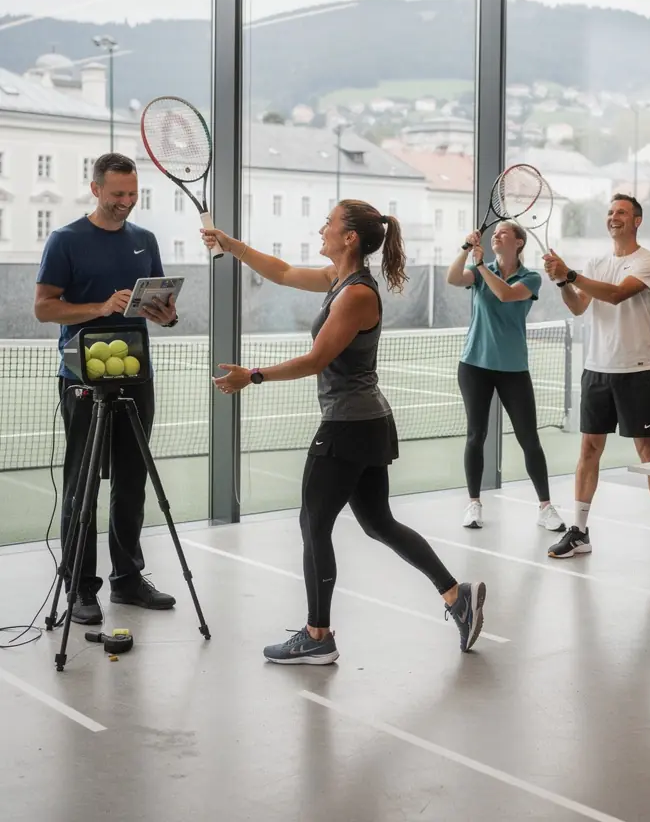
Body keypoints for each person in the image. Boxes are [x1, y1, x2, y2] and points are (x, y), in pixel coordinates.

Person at [204, 201, 486, 664]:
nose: (322, 229)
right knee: (378, 523)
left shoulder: (356, 295)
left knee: (313, 524)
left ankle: (318, 636)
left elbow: (316, 359)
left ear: (350, 237)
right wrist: (230, 244)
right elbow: (282, 272)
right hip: (364, 422)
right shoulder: (339, 280)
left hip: (349, 425)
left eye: (329, 223)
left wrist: (251, 376)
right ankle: (458, 597)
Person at [34, 153, 178, 625]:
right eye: (118, 193)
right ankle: (79, 587)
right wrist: (99, 307)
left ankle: (128, 580)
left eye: (133, 193)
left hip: (137, 376)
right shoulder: (65, 240)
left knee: (132, 481)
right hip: (82, 378)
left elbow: (160, 306)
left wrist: (166, 315)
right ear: (95, 189)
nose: (127, 201)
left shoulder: (145, 240)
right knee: (82, 484)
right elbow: (44, 308)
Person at [542, 194, 650, 565]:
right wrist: (563, 282)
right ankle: (579, 531)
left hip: (636, 369)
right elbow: (578, 306)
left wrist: (571, 274)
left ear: (637, 220)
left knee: (648, 452)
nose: (613, 217)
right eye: (609, 212)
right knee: (588, 449)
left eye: (621, 212)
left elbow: (617, 295)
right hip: (596, 369)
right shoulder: (597, 263)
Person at [446, 222, 564, 532]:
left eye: (503, 233)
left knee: (529, 439)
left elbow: (505, 294)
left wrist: (481, 265)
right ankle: (473, 504)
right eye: (494, 233)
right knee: (476, 435)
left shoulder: (531, 278)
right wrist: (465, 250)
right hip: (474, 365)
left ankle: (546, 507)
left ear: (519, 243)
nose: (496, 236)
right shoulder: (478, 272)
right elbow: (453, 278)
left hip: (513, 369)